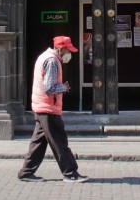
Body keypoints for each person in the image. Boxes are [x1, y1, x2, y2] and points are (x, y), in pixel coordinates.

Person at [18, 36, 89, 183]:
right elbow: (49, 88)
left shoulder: (44, 56)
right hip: (48, 107)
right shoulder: (52, 61)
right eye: (68, 50)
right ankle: (70, 173)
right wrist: (64, 87)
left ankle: (26, 173)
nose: (69, 54)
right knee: (60, 142)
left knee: (38, 143)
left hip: (42, 106)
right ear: (61, 48)